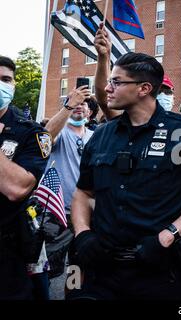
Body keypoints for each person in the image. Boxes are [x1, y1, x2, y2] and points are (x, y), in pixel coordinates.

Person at [68, 52, 181, 299]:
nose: (107, 88)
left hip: (159, 271)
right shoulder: (101, 135)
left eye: (116, 82)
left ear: (144, 88)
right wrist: (83, 233)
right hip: (102, 268)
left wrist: (169, 235)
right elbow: (84, 192)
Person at [0, 56, 51, 299]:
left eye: (5, 79)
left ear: (14, 84)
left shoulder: (30, 131)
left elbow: (17, 188)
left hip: (7, 251)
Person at [43, 86, 94, 280]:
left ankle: (73, 295)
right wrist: (68, 105)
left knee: (78, 269)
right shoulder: (60, 133)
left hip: (86, 216)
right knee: (46, 270)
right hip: (57, 214)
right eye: (75, 103)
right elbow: (45, 138)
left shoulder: (96, 136)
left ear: (89, 111)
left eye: (84, 103)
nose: (79, 106)